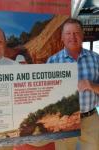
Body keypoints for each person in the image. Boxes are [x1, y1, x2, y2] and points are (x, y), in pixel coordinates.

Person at [47, 18, 99, 150]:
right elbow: (47, 97)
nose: (72, 37)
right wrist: (57, 124)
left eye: (76, 33)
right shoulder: (52, 61)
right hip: (65, 120)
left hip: (90, 118)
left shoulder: (96, 58)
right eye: (68, 33)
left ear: (82, 35)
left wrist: (91, 85)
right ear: (62, 37)